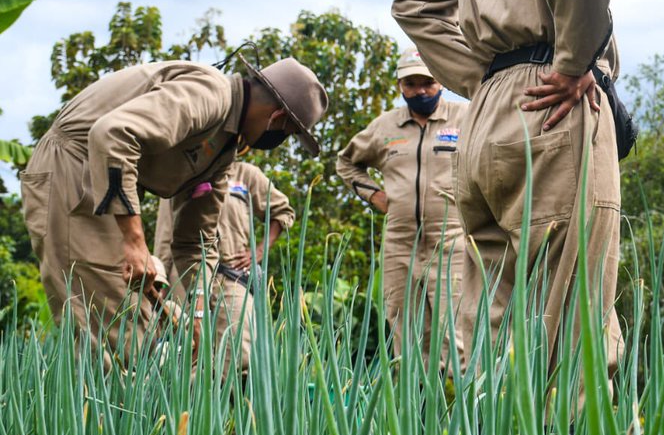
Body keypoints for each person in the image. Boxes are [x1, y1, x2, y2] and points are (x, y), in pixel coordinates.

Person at [392, 0, 655, 377]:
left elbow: (414, 4)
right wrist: (571, 62)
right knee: (574, 329)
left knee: (491, 325)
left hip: (488, 124)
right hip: (555, 104)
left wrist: (485, 82)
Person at [21, 55, 328, 363]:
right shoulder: (212, 93)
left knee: (133, 330)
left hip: (98, 183)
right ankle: (104, 408)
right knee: (117, 332)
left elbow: (196, 240)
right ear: (276, 118)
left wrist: (196, 312)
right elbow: (113, 134)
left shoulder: (222, 152)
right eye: (288, 134)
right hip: (75, 170)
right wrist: (134, 240)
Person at [336, 48, 467, 365]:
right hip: (400, 242)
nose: (420, 91)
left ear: (441, 81)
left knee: (457, 332)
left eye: (427, 82)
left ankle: (465, 409)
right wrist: (375, 196)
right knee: (406, 335)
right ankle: (418, 411)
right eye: (411, 83)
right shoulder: (385, 127)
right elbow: (346, 163)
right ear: (400, 85)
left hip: (451, 240)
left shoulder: (466, 117)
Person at [155, 159, 295, 374]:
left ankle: (231, 403)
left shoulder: (246, 174)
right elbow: (166, 233)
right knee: (188, 348)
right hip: (188, 275)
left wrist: (259, 251)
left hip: (231, 274)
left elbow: (282, 212)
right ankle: (187, 406)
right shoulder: (181, 171)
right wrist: (162, 283)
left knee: (239, 351)